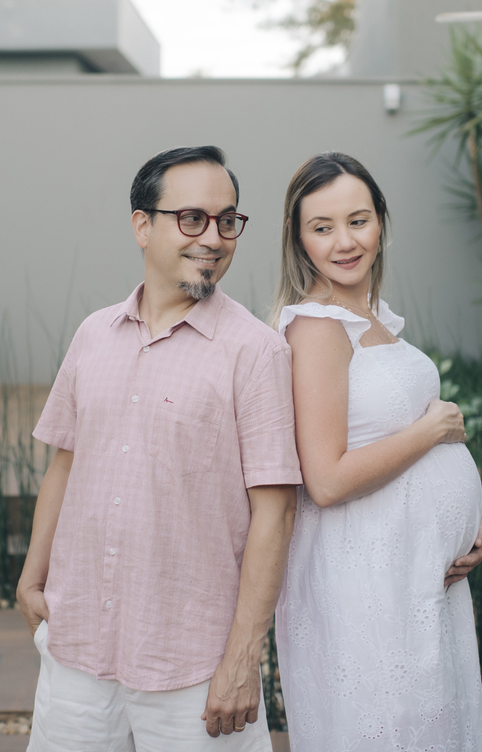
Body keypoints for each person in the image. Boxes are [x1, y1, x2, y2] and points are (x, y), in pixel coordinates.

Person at [18, 146, 301, 752]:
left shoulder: (256, 352)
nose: (214, 238)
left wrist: (243, 657)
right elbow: (66, 461)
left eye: (227, 221)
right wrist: (31, 575)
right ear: (142, 225)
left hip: (194, 668)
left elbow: (275, 513)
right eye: (192, 218)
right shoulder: (93, 335)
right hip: (77, 646)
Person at [271, 152, 482, 752]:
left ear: (381, 221)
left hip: (410, 570)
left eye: (358, 220)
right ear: (298, 238)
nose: (344, 242)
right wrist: (433, 430)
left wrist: (467, 525)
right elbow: (326, 480)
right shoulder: (318, 328)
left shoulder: (371, 317)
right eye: (322, 227)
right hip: (363, 578)